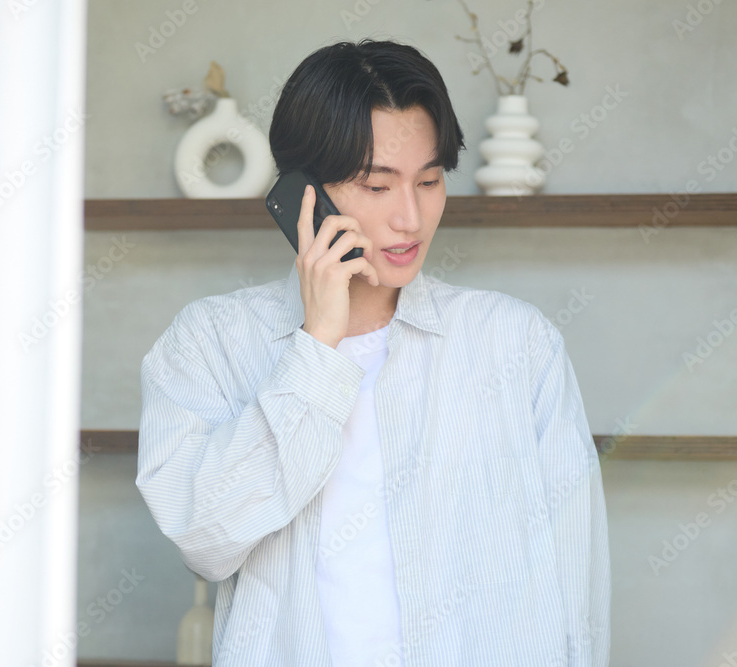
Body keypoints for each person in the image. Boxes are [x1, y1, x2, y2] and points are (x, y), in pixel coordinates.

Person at [137, 38, 610, 666]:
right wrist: (317, 347)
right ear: (305, 194)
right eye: (377, 185)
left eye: (429, 181)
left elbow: (576, 577)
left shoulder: (516, 343)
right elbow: (204, 538)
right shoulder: (210, 343)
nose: (410, 218)